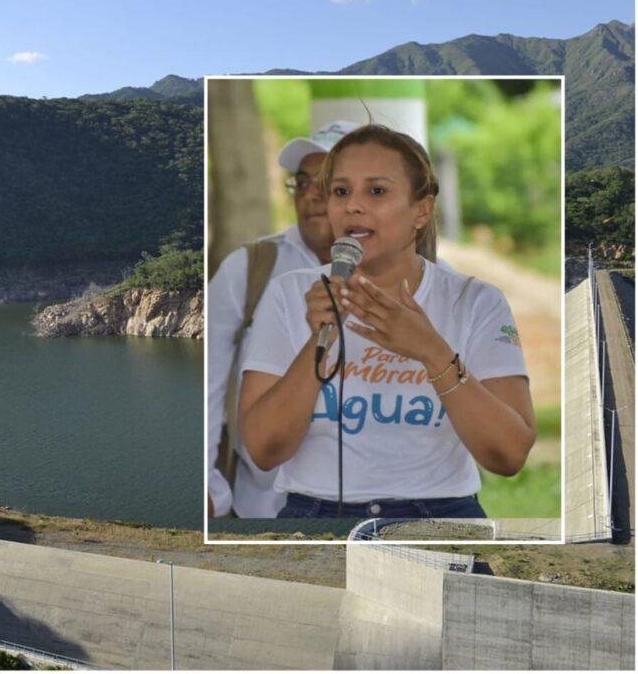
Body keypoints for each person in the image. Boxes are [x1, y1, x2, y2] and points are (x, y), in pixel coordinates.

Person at [238, 124, 535, 519]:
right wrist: (317, 343)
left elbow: (509, 455)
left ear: (421, 210)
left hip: (441, 514)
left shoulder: (475, 301)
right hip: (314, 514)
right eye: (341, 192)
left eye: (376, 191)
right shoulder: (288, 295)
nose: (353, 206)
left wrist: (431, 350)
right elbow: (263, 451)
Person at [208, 121, 359, 518]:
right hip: (261, 506)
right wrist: (207, 486)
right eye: (302, 182)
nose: (311, 196)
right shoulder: (250, 267)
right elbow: (207, 382)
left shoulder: (412, 277)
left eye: (328, 183)